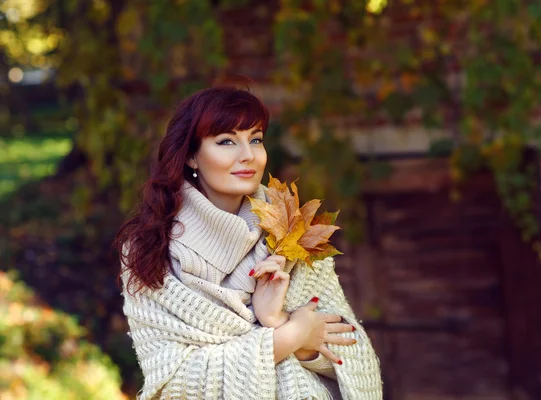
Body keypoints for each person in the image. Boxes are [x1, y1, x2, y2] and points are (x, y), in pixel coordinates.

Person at [115, 86, 383, 399]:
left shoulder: (291, 231)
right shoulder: (148, 250)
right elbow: (175, 382)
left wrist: (276, 318)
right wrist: (290, 335)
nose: (248, 155)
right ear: (191, 156)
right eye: (226, 141)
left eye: (255, 139)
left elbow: (348, 350)